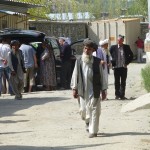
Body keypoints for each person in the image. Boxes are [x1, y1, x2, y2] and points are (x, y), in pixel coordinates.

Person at [70, 39, 107, 138]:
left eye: (89, 49)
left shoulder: (97, 62)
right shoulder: (79, 61)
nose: (87, 51)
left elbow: (102, 76)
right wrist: (74, 88)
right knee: (83, 110)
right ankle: (87, 122)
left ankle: (93, 131)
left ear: (92, 51)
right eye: (85, 48)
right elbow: (75, 75)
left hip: (94, 89)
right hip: (82, 90)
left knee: (95, 110)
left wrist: (104, 90)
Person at [110, 34, 133, 100]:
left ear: (122, 40)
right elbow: (109, 55)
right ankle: (117, 95)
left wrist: (127, 63)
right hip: (116, 68)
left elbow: (131, 55)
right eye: (118, 40)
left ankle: (122, 95)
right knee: (117, 82)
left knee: (123, 82)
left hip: (123, 68)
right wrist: (112, 62)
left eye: (120, 40)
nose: (118, 41)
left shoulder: (126, 47)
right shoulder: (113, 47)